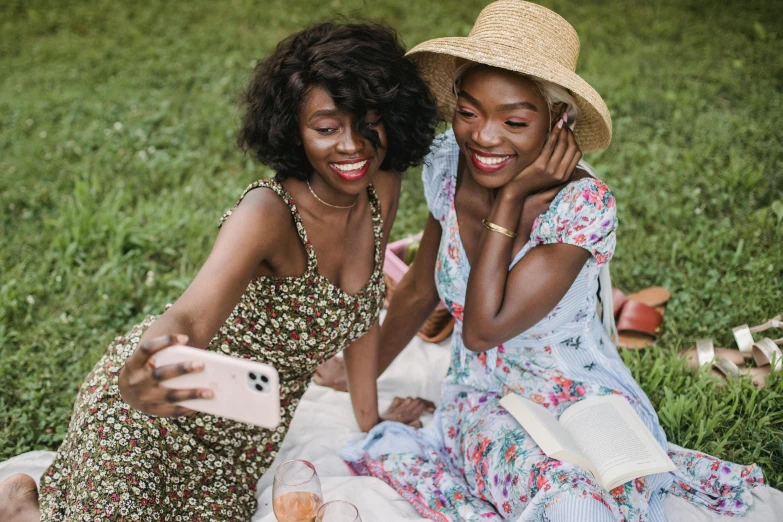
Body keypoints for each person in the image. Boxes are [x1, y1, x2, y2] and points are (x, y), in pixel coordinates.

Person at [340, 2, 764, 520]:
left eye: (514, 120)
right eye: (469, 111)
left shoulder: (582, 206)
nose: (485, 137)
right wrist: (358, 373)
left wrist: (510, 202)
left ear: (559, 120)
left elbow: (482, 326)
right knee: (571, 500)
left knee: (606, 489)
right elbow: (422, 290)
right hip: (484, 395)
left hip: (585, 400)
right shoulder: (448, 164)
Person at [0, 21, 438, 522]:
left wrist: (370, 421)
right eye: (326, 127)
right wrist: (142, 372)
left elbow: (360, 319)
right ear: (292, 129)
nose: (353, 145)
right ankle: (21, 507)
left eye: (368, 122)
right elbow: (188, 316)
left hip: (239, 438)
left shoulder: (380, 183)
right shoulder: (267, 213)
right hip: (155, 415)